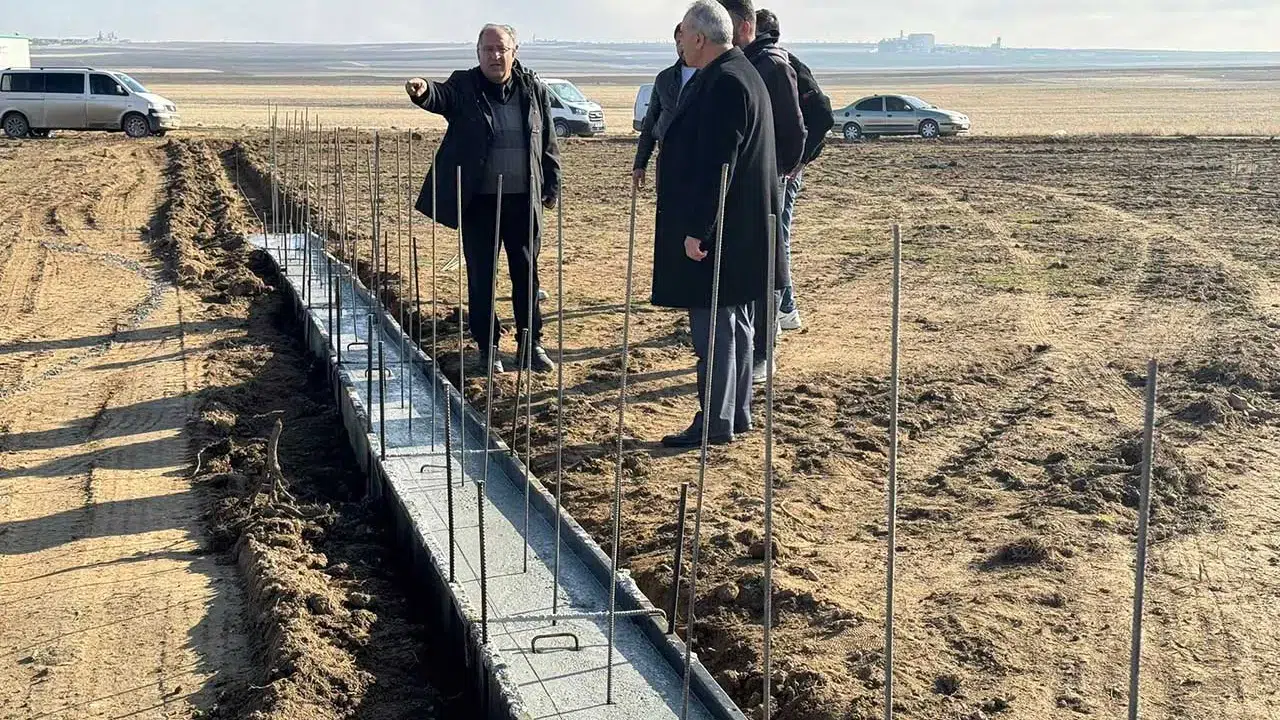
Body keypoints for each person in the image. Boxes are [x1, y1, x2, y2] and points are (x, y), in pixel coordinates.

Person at [653, 0, 779, 448]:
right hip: (741, 229)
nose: (680, 43)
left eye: (684, 35)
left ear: (700, 38)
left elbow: (717, 165)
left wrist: (697, 230)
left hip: (722, 233)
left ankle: (716, 421)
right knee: (736, 322)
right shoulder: (742, 72)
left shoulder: (724, 82)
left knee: (716, 327)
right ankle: (736, 412)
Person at [404, 23, 561, 374]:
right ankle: (488, 348)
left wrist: (551, 185)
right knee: (482, 277)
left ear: (514, 52)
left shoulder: (532, 88)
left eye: (501, 49)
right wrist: (423, 90)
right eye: (488, 49)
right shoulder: (465, 86)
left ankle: (531, 345)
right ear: (478, 53)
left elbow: (548, 140)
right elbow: (441, 96)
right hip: (479, 203)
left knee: (527, 274)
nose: (495, 55)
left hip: (523, 201)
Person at [718, 0, 805, 384]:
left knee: (767, 264)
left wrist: (780, 172)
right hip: (739, 184)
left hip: (767, 184)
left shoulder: (771, 66)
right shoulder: (738, 64)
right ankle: (744, 344)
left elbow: (797, 130)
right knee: (744, 265)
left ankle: (764, 351)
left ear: (741, 26)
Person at [756, 8, 833, 335]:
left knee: (778, 236)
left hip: (784, 168)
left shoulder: (781, 64)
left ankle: (786, 309)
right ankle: (783, 308)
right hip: (782, 165)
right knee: (775, 236)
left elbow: (823, 116)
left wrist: (799, 162)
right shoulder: (778, 62)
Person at [633, 24, 697, 189]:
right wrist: (640, 164)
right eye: (678, 42)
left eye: (684, 41)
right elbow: (650, 124)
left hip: (698, 161)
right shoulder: (664, 78)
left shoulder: (711, 76)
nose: (681, 47)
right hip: (667, 160)